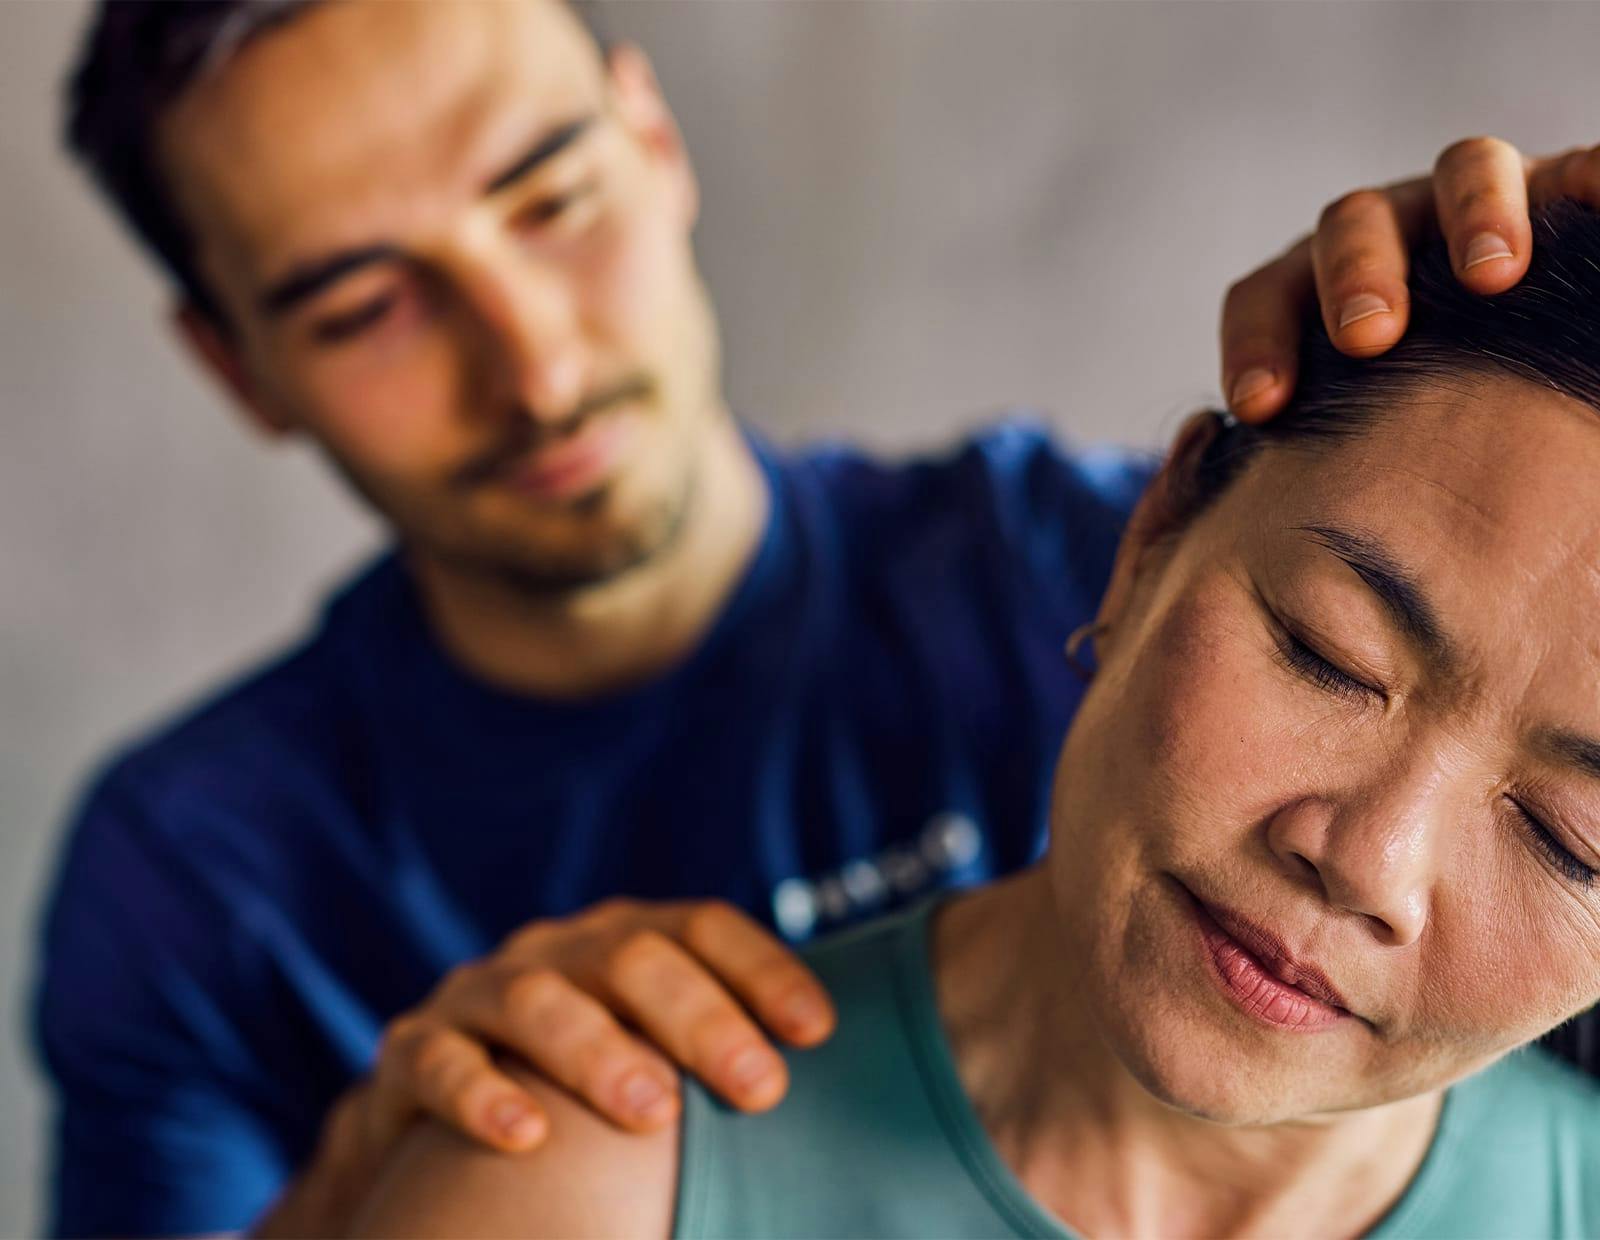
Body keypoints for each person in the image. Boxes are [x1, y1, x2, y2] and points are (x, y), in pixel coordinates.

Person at [38, 0, 1600, 1234]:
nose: (533, 362)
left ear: (652, 138)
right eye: (360, 306)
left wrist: (1519, 329)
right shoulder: (196, 875)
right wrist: (389, 1178)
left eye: (550, 194)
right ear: (238, 367)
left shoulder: (1039, 553)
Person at [352, 200, 1600, 1239]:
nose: (1365, 858)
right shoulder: (576, 1192)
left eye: (1567, 836)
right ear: (1154, 532)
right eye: (1328, 655)